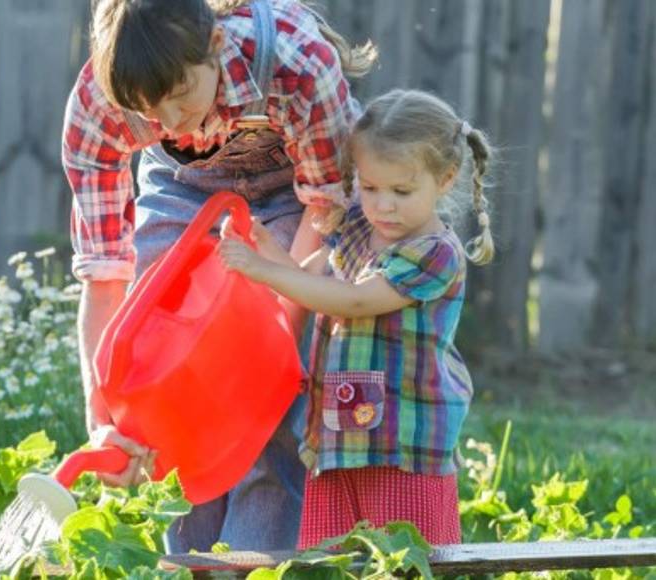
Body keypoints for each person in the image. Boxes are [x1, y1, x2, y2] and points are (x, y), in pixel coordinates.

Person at [63, 0, 375, 553]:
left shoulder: (296, 60)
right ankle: (186, 560)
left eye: (181, 97)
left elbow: (326, 204)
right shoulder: (99, 108)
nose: (170, 122)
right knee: (163, 376)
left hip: (293, 194)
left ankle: (252, 560)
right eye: (148, 111)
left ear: (213, 45)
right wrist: (102, 413)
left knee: (268, 407)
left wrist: (273, 345)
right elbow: (105, 274)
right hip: (182, 185)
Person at [217, 88, 495, 546]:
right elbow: (309, 280)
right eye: (369, 187)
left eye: (401, 191)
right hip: (338, 440)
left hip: (402, 449)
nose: (383, 205)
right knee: (332, 563)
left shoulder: (434, 254)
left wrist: (262, 270)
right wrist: (263, 246)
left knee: (405, 563)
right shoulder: (359, 230)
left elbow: (354, 301)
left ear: (445, 179)